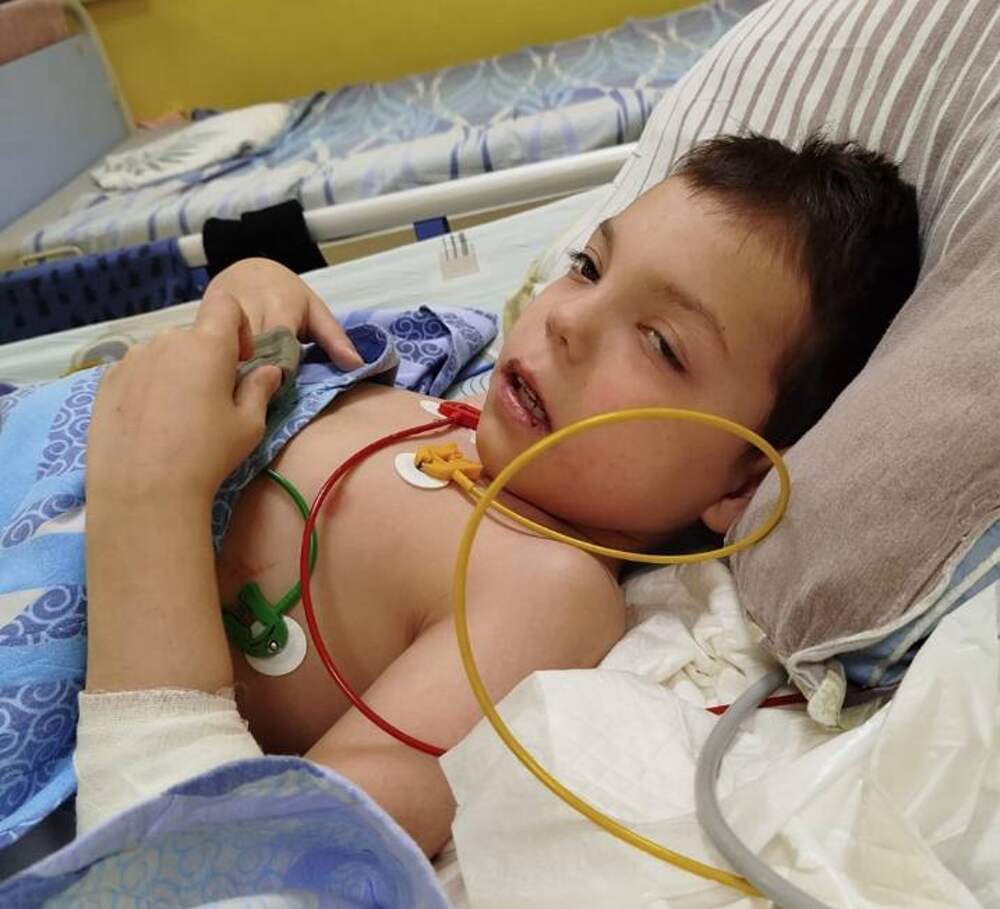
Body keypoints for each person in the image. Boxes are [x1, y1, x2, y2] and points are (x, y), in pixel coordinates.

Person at [77, 133, 920, 857]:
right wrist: (261, 297)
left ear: (742, 480)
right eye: (589, 267)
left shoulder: (544, 589)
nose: (567, 320)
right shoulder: (455, 396)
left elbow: (270, 856)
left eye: (661, 343)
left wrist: (150, 498)